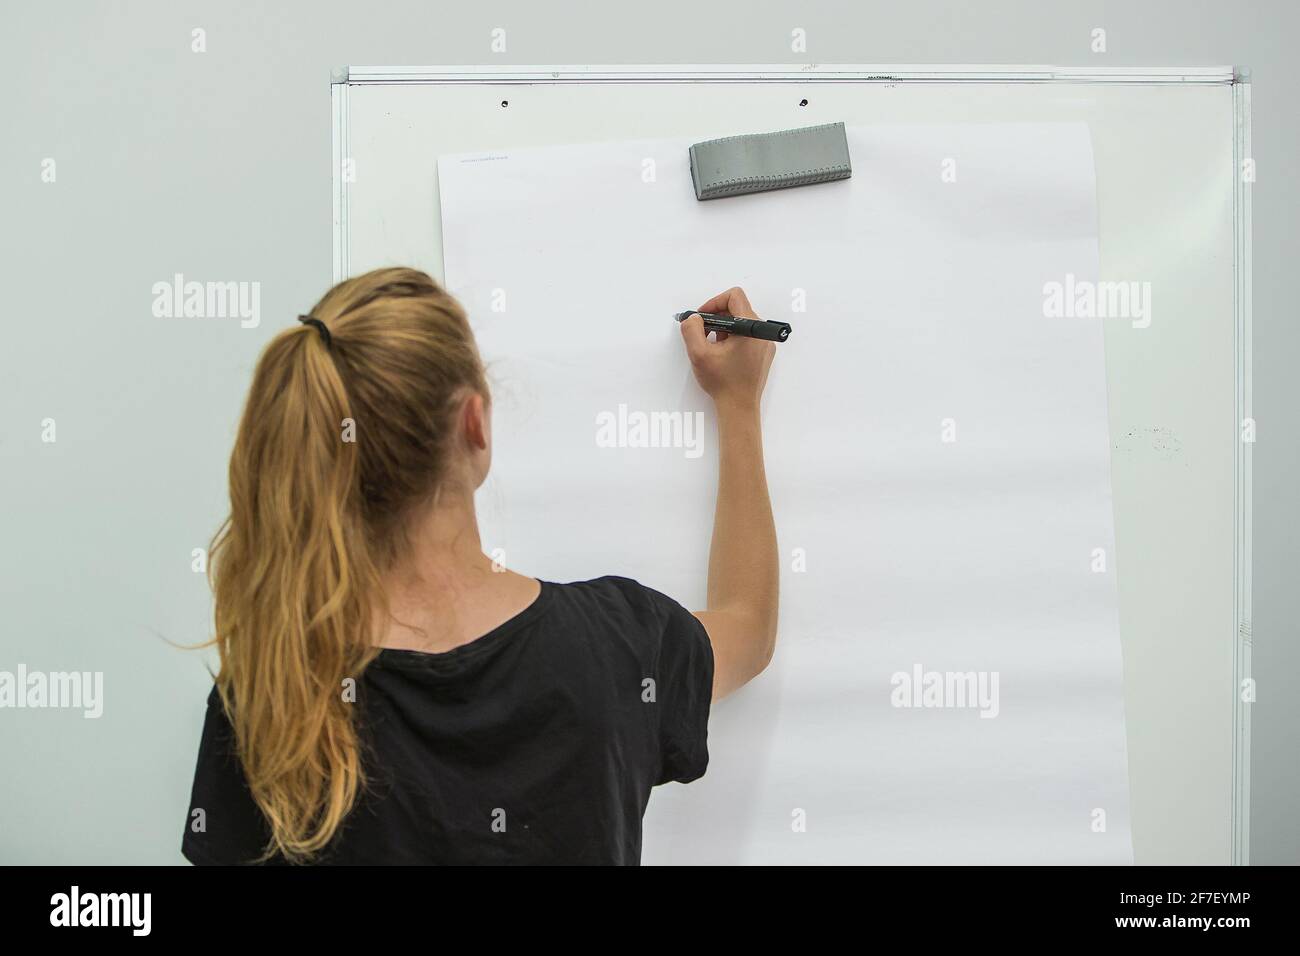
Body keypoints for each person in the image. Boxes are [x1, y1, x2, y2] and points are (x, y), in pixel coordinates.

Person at [182, 268, 778, 865]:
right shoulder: (616, 646)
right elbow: (747, 626)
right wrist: (738, 405)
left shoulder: (267, 698)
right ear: (474, 423)